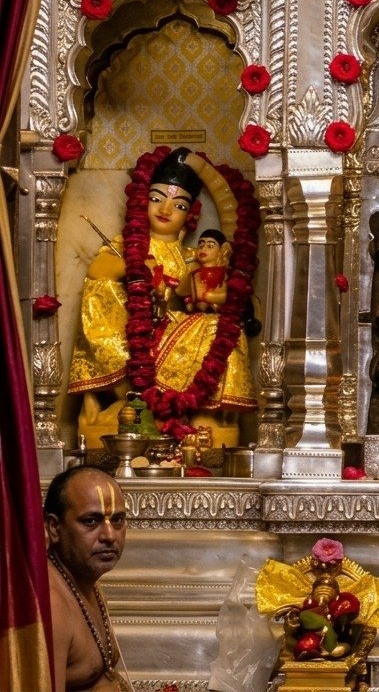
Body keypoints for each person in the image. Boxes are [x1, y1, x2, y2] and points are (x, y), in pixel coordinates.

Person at [68, 147, 258, 447]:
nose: (165, 210)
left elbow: (202, 293)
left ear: (191, 215)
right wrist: (135, 268)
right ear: (143, 203)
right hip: (137, 334)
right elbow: (98, 269)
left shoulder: (193, 256)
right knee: (101, 288)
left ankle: (207, 413)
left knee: (224, 328)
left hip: (181, 331)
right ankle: (131, 399)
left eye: (178, 205)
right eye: (157, 199)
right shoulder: (128, 245)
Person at [44, 466, 130, 691]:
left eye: (118, 520)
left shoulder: (85, 580)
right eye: (91, 521)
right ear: (54, 528)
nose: (109, 536)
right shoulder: (51, 606)